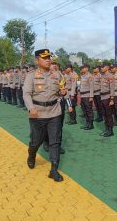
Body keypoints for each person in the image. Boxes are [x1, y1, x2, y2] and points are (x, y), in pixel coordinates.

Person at [23, 49, 67, 182]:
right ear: (37, 60)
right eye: (44, 58)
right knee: (36, 141)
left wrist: (63, 92)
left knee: (55, 142)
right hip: (38, 113)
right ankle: (32, 155)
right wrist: (31, 108)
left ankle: (54, 170)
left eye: (49, 57)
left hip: (54, 112)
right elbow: (26, 94)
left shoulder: (57, 74)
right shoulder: (31, 76)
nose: (48, 59)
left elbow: (60, 91)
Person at [99, 63, 115, 137]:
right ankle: (106, 129)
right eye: (101, 67)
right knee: (104, 114)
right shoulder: (102, 75)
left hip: (107, 97)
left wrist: (112, 99)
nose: (101, 68)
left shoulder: (110, 76)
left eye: (103, 67)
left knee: (108, 115)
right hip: (102, 97)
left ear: (107, 67)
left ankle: (110, 130)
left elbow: (112, 88)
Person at [79, 64, 94, 130]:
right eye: (81, 68)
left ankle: (91, 125)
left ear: (87, 68)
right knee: (84, 110)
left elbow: (91, 87)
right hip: (82, 96)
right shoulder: (82, 76)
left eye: (83, 68)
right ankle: (87, 123)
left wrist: (91, 96)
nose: (81, 69)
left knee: (89, 111)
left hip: (87, 96)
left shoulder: (90, 76)